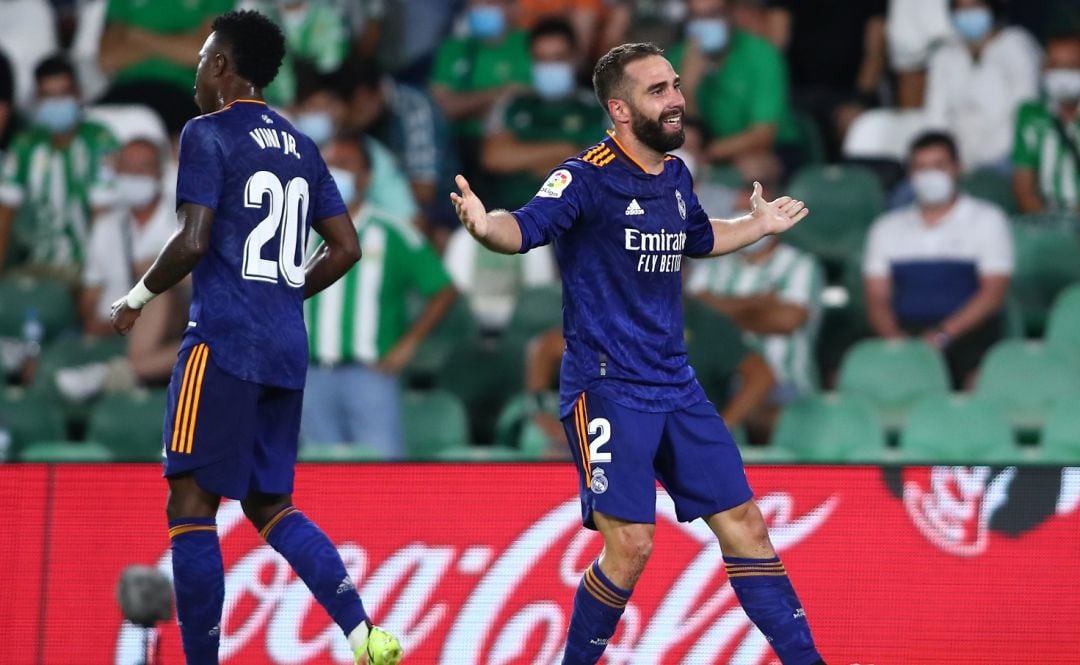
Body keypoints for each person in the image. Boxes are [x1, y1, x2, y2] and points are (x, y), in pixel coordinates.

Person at [451, 42, 824, 665]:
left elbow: (700, 237)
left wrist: (756, 226)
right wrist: (489, 227)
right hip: (607, 385)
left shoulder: (676, 176)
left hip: (675, 383)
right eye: (658, 91)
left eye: (675, 84)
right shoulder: (584, 175)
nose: (676, 98)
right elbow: (527, 227)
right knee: (631, 545)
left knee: (748, 527)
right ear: (620, 110)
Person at [109, 11, 402, 664]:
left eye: (202, 56)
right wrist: (284, 293)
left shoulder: (207, 132)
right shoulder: (302, 144)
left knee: (190, 501)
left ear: (221, 65)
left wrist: (135, 299)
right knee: (271, 504)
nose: (195, 69)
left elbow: (192, 240)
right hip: (284, 348)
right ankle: (364, 633)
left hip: (220, 341)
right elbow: (346, 246)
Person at [303, 135, 456, 458]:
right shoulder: (300, 230)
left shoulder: (392, 231)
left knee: (382, 475)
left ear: (367, 177)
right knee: (313, 477)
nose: (333, 173)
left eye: (344, 165)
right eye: (328, 165)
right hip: (310, 373)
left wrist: (408, 344)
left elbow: (443, 289)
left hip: (369, 374)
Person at [864, 131, 1013, 389]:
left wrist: (944, 334)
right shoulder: (885, 228)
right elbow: (877, 297)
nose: (929, 175)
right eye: (921, 167)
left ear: (957, 168)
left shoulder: (988, 220)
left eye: (939, 165)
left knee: (980, 380)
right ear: (910, 175)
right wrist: (895, 341)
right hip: (905, 332)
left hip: (967, 332)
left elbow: (992, 294)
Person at [687, 194, 824, 440]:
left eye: (751, 212)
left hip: (787, 382)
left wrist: (722, 312)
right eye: (738, 213)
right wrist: (759, 302)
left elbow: (786, 320)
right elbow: (696, 311)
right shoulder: (713, 262)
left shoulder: (799, 263)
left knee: (768, 412)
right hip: (722, 382)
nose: (744, 220)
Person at [0, 54, 117, 283]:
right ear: (37, 99)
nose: (57, 103)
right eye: (48, 96)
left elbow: (103, 218)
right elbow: (4, 216)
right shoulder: (25, 145)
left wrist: (95, 280)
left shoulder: (99, 140)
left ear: (78, 94)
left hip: (86, 267)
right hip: (35, 264)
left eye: (63, 94)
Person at [480, 17, 610, 211]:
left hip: (579, 215)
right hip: (514, 213)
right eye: (541, 59)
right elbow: (494, 157)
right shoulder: (511, 104)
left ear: (575, 58)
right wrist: (563, 150)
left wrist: (524, 157)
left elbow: (604, 168)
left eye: (558, 58)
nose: (549, 67)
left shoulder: (598, 108)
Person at [667, 0, 800, 172]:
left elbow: (763, 134)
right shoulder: (677, 58)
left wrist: (708, 153)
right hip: (703, 147)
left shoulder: (762, 54)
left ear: (732, 14)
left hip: (768, 149)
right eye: (698, 16)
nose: (705, 23)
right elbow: (673, 130)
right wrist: (688, 88)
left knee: (753, 167)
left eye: (713, 14)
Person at [924, 0, 1041, 171]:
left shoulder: (1016, 46)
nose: (968, 14)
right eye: (961, 9)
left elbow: (1021, 114)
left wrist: (978, 163)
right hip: (954, 161)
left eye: (975, 7)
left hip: (1006, 157)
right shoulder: (944, 55)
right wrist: (945, 160)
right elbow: (935, 117)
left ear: (992, 8)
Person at [764, 0, 887, 159]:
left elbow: (875, 53)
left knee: (855, 125)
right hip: (795, 91)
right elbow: (776, 45)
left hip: (847, 94)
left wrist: (859, 100)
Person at [97, 0, 234, 137]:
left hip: (183, 91)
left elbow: (205, 56)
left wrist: (138, 37)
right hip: (128, 87)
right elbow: (107, 59)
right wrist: (177, 41)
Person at [1012, 32, 1080, 214]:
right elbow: (1024, 188)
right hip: (1047, 221)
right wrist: (1048, 227)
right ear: (1043, 69)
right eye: (1055, 65)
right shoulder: (1030, 114)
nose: (1063, 74)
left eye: (1071, 67)